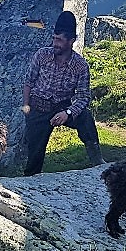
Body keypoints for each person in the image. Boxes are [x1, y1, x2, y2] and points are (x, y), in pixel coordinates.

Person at [21, 11, 104, 176]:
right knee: (34, 156)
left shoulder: (80, 66)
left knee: (85, 118)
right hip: (39, 106)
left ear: (71, 41)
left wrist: (68, 112)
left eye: (59, 40)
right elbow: (28, 82)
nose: (55, 43)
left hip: (62, 105)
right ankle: (30, 181)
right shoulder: (42, 55)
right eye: (54, 38)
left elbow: (83, 97)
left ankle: (97, 162)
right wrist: (26, 107)